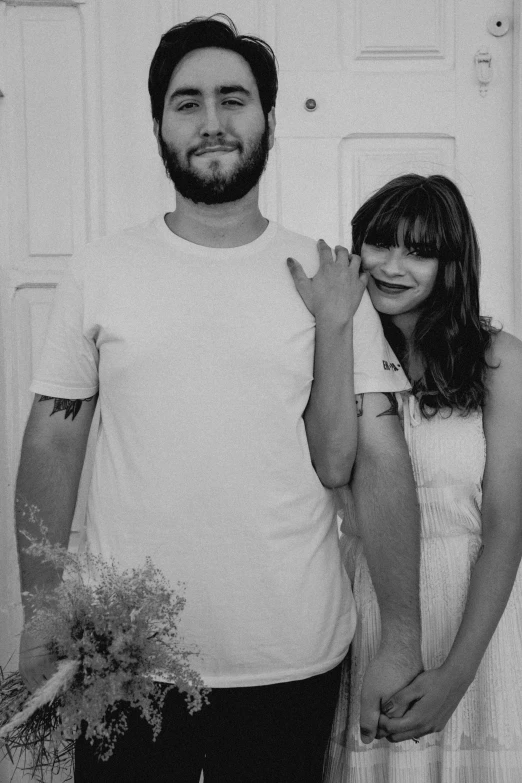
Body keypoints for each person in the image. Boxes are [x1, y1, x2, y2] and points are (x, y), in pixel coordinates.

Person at [15, 17, 422, 783]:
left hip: (292, 656)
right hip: (123, 660)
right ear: (159, 124)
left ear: (268, 119)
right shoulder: (100, 270)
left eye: (233, 99)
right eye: (187, 102)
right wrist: (40, 614)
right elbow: (52, 442)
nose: (211, 121)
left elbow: (379, 452)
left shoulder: (327, 274)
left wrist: (400, 635)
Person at [324, 174, 522, 782]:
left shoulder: (498, 360)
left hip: (472, 617)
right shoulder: (335, 354)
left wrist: (455, 676)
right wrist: (334, 332)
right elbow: (328, 467)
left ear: (451, 264)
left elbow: (507, 528)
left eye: (418, 250)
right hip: (367, 604)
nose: (391, 265)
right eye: (380, 244)